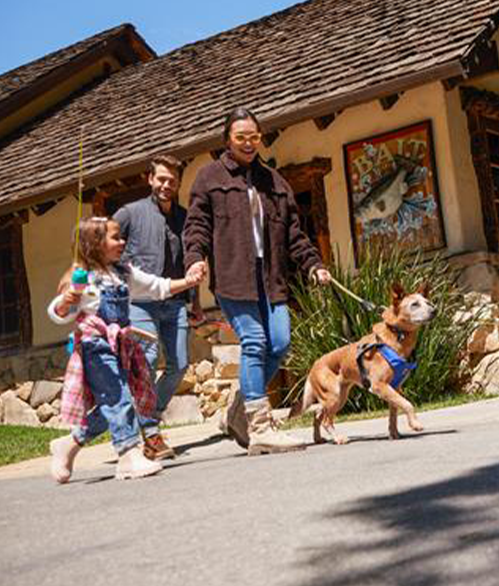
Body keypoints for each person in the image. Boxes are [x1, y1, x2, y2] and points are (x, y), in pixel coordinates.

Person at [184, 106, 332, 455]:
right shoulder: (209, 178)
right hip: (234, 277)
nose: (248, 143)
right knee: (254, 341)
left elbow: (294, 233)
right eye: (241, 137)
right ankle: (260, 427)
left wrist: (314, 264)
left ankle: (239, 411)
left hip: (272, 277)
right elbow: (196, 226)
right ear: (227, 140)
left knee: (279, 343)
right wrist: (195, 260)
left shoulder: (274, 182)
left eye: (254, 137)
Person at [47, 217, 204, 483]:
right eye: (115, 237)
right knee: (117, 397)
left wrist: (188, 282)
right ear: (94, 244)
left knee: (118, 401)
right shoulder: (83, 278)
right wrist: (66, 300)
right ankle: (128, 455)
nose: (122, 242)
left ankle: (70, 443)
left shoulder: (123, 273)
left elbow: (158, 287)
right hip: (94, 345)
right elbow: (58, 312)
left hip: (119, 345)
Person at [114, 154, 199, 461]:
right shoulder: (129, 213)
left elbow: (191, 262)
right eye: (161, 179)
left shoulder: (185, 217)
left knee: (180, 364)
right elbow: (106, 246)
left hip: (175, 301)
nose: (166, 185)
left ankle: (149, 414)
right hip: (140, 302)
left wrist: (195, 301)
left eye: (172, 181)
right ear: (150, 178)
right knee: (147, 360)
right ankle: (150, 432)